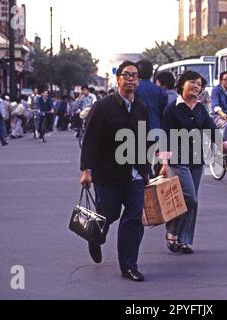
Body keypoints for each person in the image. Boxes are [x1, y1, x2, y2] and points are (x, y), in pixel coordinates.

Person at [80, 60, 152, 282]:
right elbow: (90, 140)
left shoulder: (142, 108)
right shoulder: (102, 107)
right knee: (108, 215)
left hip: (135, 176)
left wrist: (149, 167)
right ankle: (94, 236)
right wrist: (86, 170)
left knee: (133, 220)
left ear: (138, 81)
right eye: (126, 75)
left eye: (134, 76)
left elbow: (145, 140)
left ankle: (129, 266)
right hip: (108, 174)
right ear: (118, 79)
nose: (130, 79)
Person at [160, 70, 227, 254]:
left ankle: (184, 240)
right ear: (182, 85)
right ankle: (172, 231)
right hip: (177, 160)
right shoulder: (172, 109)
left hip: (196, 159)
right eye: (192, 82)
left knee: (192, 201)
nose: (197, 86)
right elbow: (165, 137)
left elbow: (213, 132)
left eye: (199, 84)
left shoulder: (201, 109)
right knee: (189, 197)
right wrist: (164, 164)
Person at [136, 59, 168, 131]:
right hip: (156, 129)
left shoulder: (133, 89)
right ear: (151, 73)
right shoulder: (161, 91)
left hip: (137, 131)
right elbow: (165, 114)